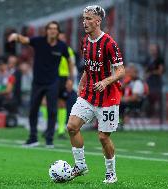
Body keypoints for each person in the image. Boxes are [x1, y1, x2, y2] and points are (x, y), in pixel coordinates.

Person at [67, 5, 125, 184]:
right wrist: (82, 83)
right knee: (72, 126)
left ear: (98, 21)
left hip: (108, 97)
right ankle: (80, 166)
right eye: (84, 18)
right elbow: (88, 66)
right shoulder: (85, 41)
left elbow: (121, 71)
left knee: (103, 137)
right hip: (89, 94)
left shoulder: (109, 43)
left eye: (89, 18)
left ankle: (110, 173)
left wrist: (106, 81)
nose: (85, 22)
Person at [8, 21, 73, 148]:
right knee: (33, 109)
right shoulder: (39, 41)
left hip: (53, 82)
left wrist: (70, 79)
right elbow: (25, 40)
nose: (53, 31)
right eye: (50, 28)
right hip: (37, 82)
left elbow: (70, 61)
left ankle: (49, 140)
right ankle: (33, 138)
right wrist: (16, 36)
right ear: (46, 30)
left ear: (58, 31)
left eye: (55, 29)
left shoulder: (62, 46)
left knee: (52, 110)